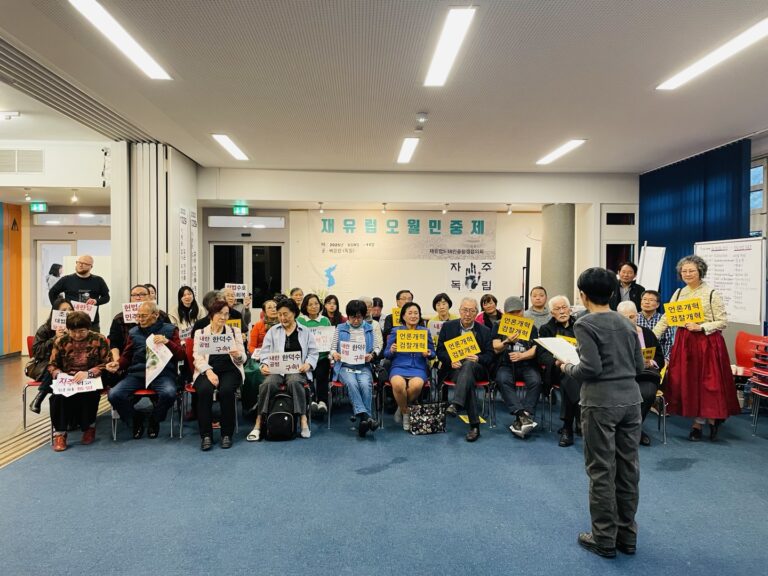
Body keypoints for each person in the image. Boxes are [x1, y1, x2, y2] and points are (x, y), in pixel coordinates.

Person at [559, 267, 644, 559]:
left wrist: (566, 366)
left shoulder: (585, 324)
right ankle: (627, 535)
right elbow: (640, 367)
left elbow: (590, 370)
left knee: (601, 471)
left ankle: (604, 537)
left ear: (582, 295)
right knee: (628, 469)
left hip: (600, 403)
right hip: (631, 402)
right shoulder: (627, 323)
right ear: (612, 292)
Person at [652, 255, 740, 441]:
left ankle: (705, 421)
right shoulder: (678, 293)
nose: (687, 274)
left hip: (707, 343)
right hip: (685, 343)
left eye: (691, 270)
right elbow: (666, 319)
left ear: (700, 271)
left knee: (709, 384)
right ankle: (700, 421)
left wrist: (701, 327)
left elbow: (723, 321)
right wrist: (650, 337)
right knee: (689, 383)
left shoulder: (711, 293)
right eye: (684, 271)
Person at [106, 301, 185, 439]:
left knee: (169, 393)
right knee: (114, 394)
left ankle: (155, 419)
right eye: (138, 316)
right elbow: (127, 357)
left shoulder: (170, 330)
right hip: (137, 374)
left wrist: (168, 342)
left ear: (155, 315)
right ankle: (135, 419)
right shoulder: (133, 332)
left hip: (162, 374)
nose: (140, 319)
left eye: (144, 316)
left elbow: (181, 355)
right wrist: (118, 365)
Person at [246, 299, 318, 441]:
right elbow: (264, 352)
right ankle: (258, 423)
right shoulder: (273, 331)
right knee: (267, 384)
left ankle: (303, 419)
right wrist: (264, 365)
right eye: (279, 315)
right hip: (276, 370)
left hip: (296, 370)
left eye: (286, 314)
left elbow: (313, 353)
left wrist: (308, 364)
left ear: (294, 313)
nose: (282, 318)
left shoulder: (305, 331)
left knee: (295, 382)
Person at [46, 311, 110, 451]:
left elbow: (107, 364)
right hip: (68, 378)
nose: (77, 335)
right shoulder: (61, 341)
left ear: (88, 328)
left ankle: (89, 428)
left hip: (91, 377)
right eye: (73, 331)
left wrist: (89, 373)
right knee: (57, 397)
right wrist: (59, 374)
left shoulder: (99, 339)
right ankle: (60, 433)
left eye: (81, 331)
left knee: (89, 394)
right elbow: (52, 365)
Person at [192, 300, 246, 450]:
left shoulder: (234, 332)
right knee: (204, 391)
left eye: (226, 314)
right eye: (219, 313)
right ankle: (206, 435)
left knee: (226, 391)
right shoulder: (200, 333)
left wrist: (238, 356)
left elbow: (243, 357)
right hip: (207, 369)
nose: (223, 317)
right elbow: (197, 356)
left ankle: (226, 434)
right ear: (211, 314)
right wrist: (208, 372)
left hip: (230, 369)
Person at [438, 297, 493, 442]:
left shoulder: (485, 331)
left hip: (477, 368)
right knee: (467, 381)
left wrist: (478, 358)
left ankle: (456, 403)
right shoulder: (448, 327)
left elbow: (490, 356)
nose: (467, 314)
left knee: (468, 365)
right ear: (459, 311)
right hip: (454, 369)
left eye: (471, 311)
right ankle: (475, 426)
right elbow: (440, 351)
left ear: (476, 313)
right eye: (465, 310)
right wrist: (451, 360)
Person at [492, 296, 543, 438]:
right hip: (506, 364)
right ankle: (521, 414)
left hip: (527, 363)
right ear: (505, 313)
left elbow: (535, 349)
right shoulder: (498, 325)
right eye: (511, 313)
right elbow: (495, 347)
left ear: (522, 311)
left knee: (536, 381)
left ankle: (524, 414)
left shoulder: (530, 326)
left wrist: (522, 356)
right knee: (502, 379)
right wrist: (507, 341)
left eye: (518, 312)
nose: (515, 316)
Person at [617, 301, 665, 446]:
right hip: (621, 374)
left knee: (648, 393)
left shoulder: (647, 333)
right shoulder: (611, 334)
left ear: (637, 316)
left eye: (631, 317)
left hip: (645, 374)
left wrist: (652, 362)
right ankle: (627, 429)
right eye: (624, 318)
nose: (628, 321)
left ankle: (635, 428)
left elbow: (659, 358)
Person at [330, 300, 380, 437]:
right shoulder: (340, 328)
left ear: (364, 316)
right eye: (352, 317)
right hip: (345, 366)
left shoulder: (369, 328)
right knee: (352, 383)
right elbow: (332, 348)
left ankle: (364, 420)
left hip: (363, 365)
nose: (356, 320)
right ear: (348, 316)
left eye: (359, 317)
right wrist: (335, 354)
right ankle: (367, 417)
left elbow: (376, 347)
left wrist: (372, 355)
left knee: (365, 384)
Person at [384, 302, 436, 432]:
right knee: (397, 385)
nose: (413, 316)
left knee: (417, 385)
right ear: (403, 316)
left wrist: (428, 353)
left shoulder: (425, 332)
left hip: (418, 367)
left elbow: (433, 353)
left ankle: (400, 408)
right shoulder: (396, 331)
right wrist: (391, 350)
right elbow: (386, 354)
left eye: (416, 313)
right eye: (410, 313)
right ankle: (406, 413)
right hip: (399, 366)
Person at [538, 295, 581, 447]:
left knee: (573, 378)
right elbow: (541, 355)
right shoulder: (546, 329)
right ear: (552, 313)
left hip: (580, 368)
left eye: (564, 307)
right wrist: (556, 361)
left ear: (570, 309)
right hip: (556, 371)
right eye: (557, 309)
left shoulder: (580, 326)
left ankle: (568, 426)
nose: (562, 311)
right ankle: (571, 424)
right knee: (569, 378)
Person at [27, 298, 74, 413]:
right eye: (63, 310)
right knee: (55, 370)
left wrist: (72, 336)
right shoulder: (45, 329)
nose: (68, 312)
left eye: (70, 309)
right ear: (56, 313)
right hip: (45, 365)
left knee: (61, 373)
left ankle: (40, 397)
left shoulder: (76, 328)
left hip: (70, 366)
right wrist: (55, 339)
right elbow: (37, 352)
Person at [47, 255, 110, 332]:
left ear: (91, 266)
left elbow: (106, 297)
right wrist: (58, 308)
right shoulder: (67, 279)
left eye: (84, 263)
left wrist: (96, 301)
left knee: (93, 343)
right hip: (70, 321)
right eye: (79, 262)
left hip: (91, 322)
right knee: (68, 343)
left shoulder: (98, 280)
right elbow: (52, 293)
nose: (80, 265)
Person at [298, 293, 332, 416]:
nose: (314, 306)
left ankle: (322, 402)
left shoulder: (325, 320)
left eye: (316, 303)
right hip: (305, 358)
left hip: (322, 356)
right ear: (305, 307)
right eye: (310, 304)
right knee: (308, 376)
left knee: (322, 374)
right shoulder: (300, 320)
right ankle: (311, 401)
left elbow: (330, 339)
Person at [636, 290, 674, 361]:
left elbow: (668, 343)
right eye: (644, 299)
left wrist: (666, 359)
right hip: (637, 358)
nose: (647, 302)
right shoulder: (634, 318)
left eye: (651, 300)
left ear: (657, 304)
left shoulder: (664, 319)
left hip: (659, 359)